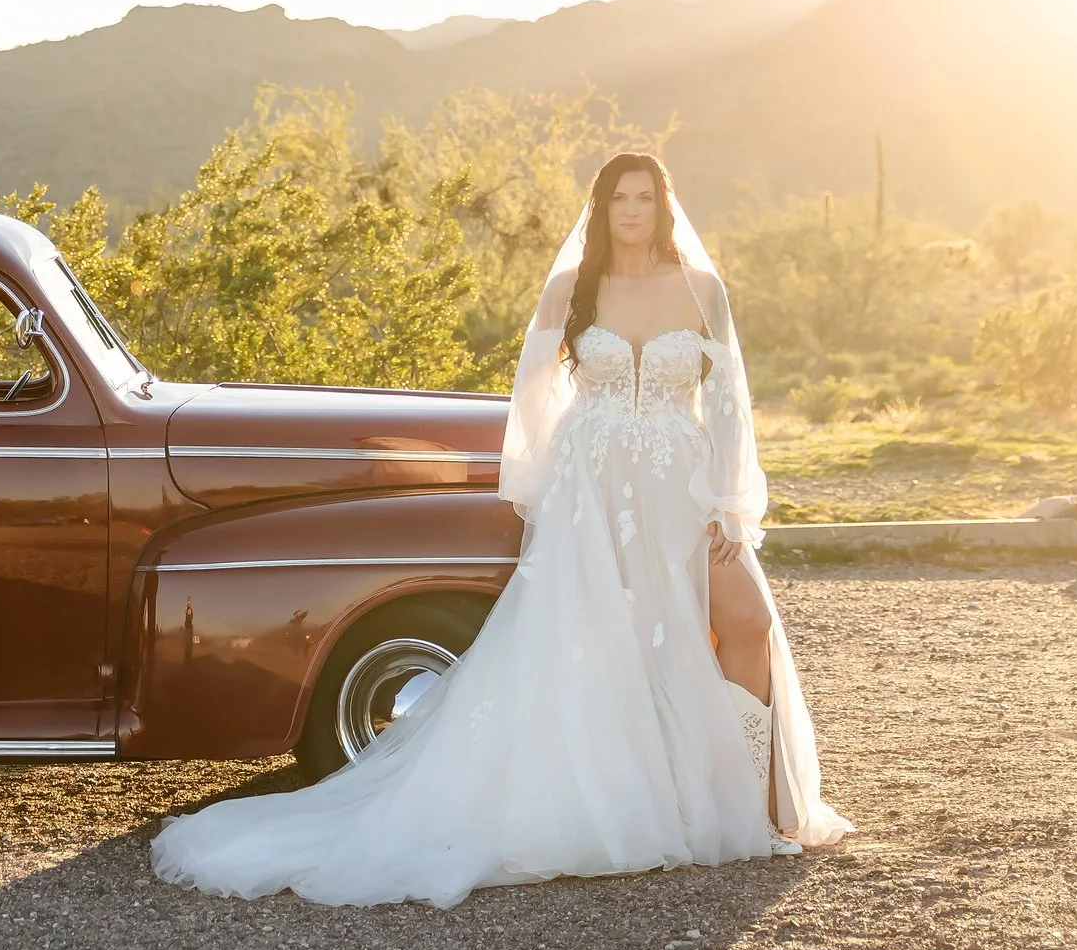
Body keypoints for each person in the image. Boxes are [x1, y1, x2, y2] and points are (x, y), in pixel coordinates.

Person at [152, 151, 849, 908]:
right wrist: (550, 492)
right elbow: (533, 396)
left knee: (745, 617)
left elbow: (728, 404)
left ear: (664, 205)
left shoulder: (701, 289)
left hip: (681, 486)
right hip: (594, 488)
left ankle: (751, 802)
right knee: (610, 645)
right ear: (602, 207)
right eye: (620, 197)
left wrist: (727, 501)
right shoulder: (572, 289)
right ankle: (641, 801)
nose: (633, 211)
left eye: (646, 197)